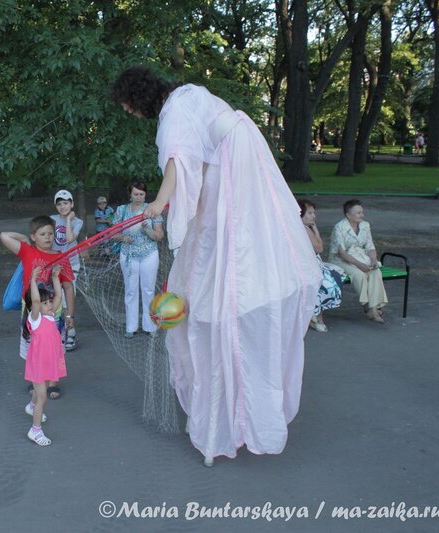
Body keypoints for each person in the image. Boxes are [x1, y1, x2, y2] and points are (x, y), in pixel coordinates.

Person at [111, 66, 320, 467]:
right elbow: (191, 159)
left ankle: (221, 426)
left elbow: (178, 161)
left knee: (224, 250)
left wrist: (158, 203)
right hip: (244, 159)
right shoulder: (190, 93)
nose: (129, 112)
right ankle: (226, 414)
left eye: (128, 106)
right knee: (234, 245)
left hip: (233, 169)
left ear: (137, 98)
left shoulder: (174, 111)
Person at [0, 216, 75, 399]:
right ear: (34, 236)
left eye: (50, 233)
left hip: (54, 310)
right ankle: (37, 379)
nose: (47, 237)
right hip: (31, 311)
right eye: (42, 234)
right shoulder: (27, 251)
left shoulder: (60, 257)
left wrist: (69, 315)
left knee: (55, 345)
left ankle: (53, 381)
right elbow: (4, 236)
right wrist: (24, 238)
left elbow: (68, 287)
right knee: (33, 345)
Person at [112, 180, 164, 338]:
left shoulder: (152, 210)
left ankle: (150, 326)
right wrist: (123, 238)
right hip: (128, 255)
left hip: (149, 254)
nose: (139, 197)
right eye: (136, 194)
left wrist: (147, 229)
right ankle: (131, 327)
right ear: (130, 194)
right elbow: (113, 233)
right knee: (130, 290)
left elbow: (159, 236)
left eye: (142, 194)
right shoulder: (121, 210)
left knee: (148, 290)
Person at [24, 266, 67, 446]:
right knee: (43, 397)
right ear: (33, 307)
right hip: (39, 364)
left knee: (44, 389)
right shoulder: (35, 319)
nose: (49, 304)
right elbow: (34, 299)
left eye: (48, 302)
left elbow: (57, 296)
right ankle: (35, 430)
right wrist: (32, 280)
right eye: (45, 303)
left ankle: (32, 406)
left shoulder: (49, 316)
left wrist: (56, 277)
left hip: (50, 361)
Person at [328, 199, 388, 323]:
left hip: (361, 257)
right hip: (340, 260)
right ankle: (369, 308)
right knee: (360, 275)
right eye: (358, 213)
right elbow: (342, 253)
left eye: (362, 212)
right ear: (348, 215)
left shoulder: (365, 225)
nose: (362, 215)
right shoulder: (339, 227)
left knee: (375, 272)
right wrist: (360, 265)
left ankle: (373, 309)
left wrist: (373, 260)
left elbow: (370, 247)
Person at [298, 200, 342, 332]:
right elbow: (319, 248)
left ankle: (316, 315)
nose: (313, 216)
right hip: (305, 266)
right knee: (326, 281)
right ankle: (317, 316)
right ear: (301, 214)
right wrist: (315, 229)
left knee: (332, 276)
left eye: (314, 213)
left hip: (310, 264)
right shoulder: (303, 229)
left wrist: (314, 228)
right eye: (310, 213)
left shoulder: (303, 228)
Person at [51, 190, 82, 351]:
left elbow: (70, 238)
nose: (63, 207)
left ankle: (70, 332)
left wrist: (68, 221)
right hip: (55, 264)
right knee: (56, 298)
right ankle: (61, 331)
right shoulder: (51, 220)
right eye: (59, 204)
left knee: (66, 298)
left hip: (72, 263)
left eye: (66, 203)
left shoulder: (77, 221)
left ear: (72, 204)